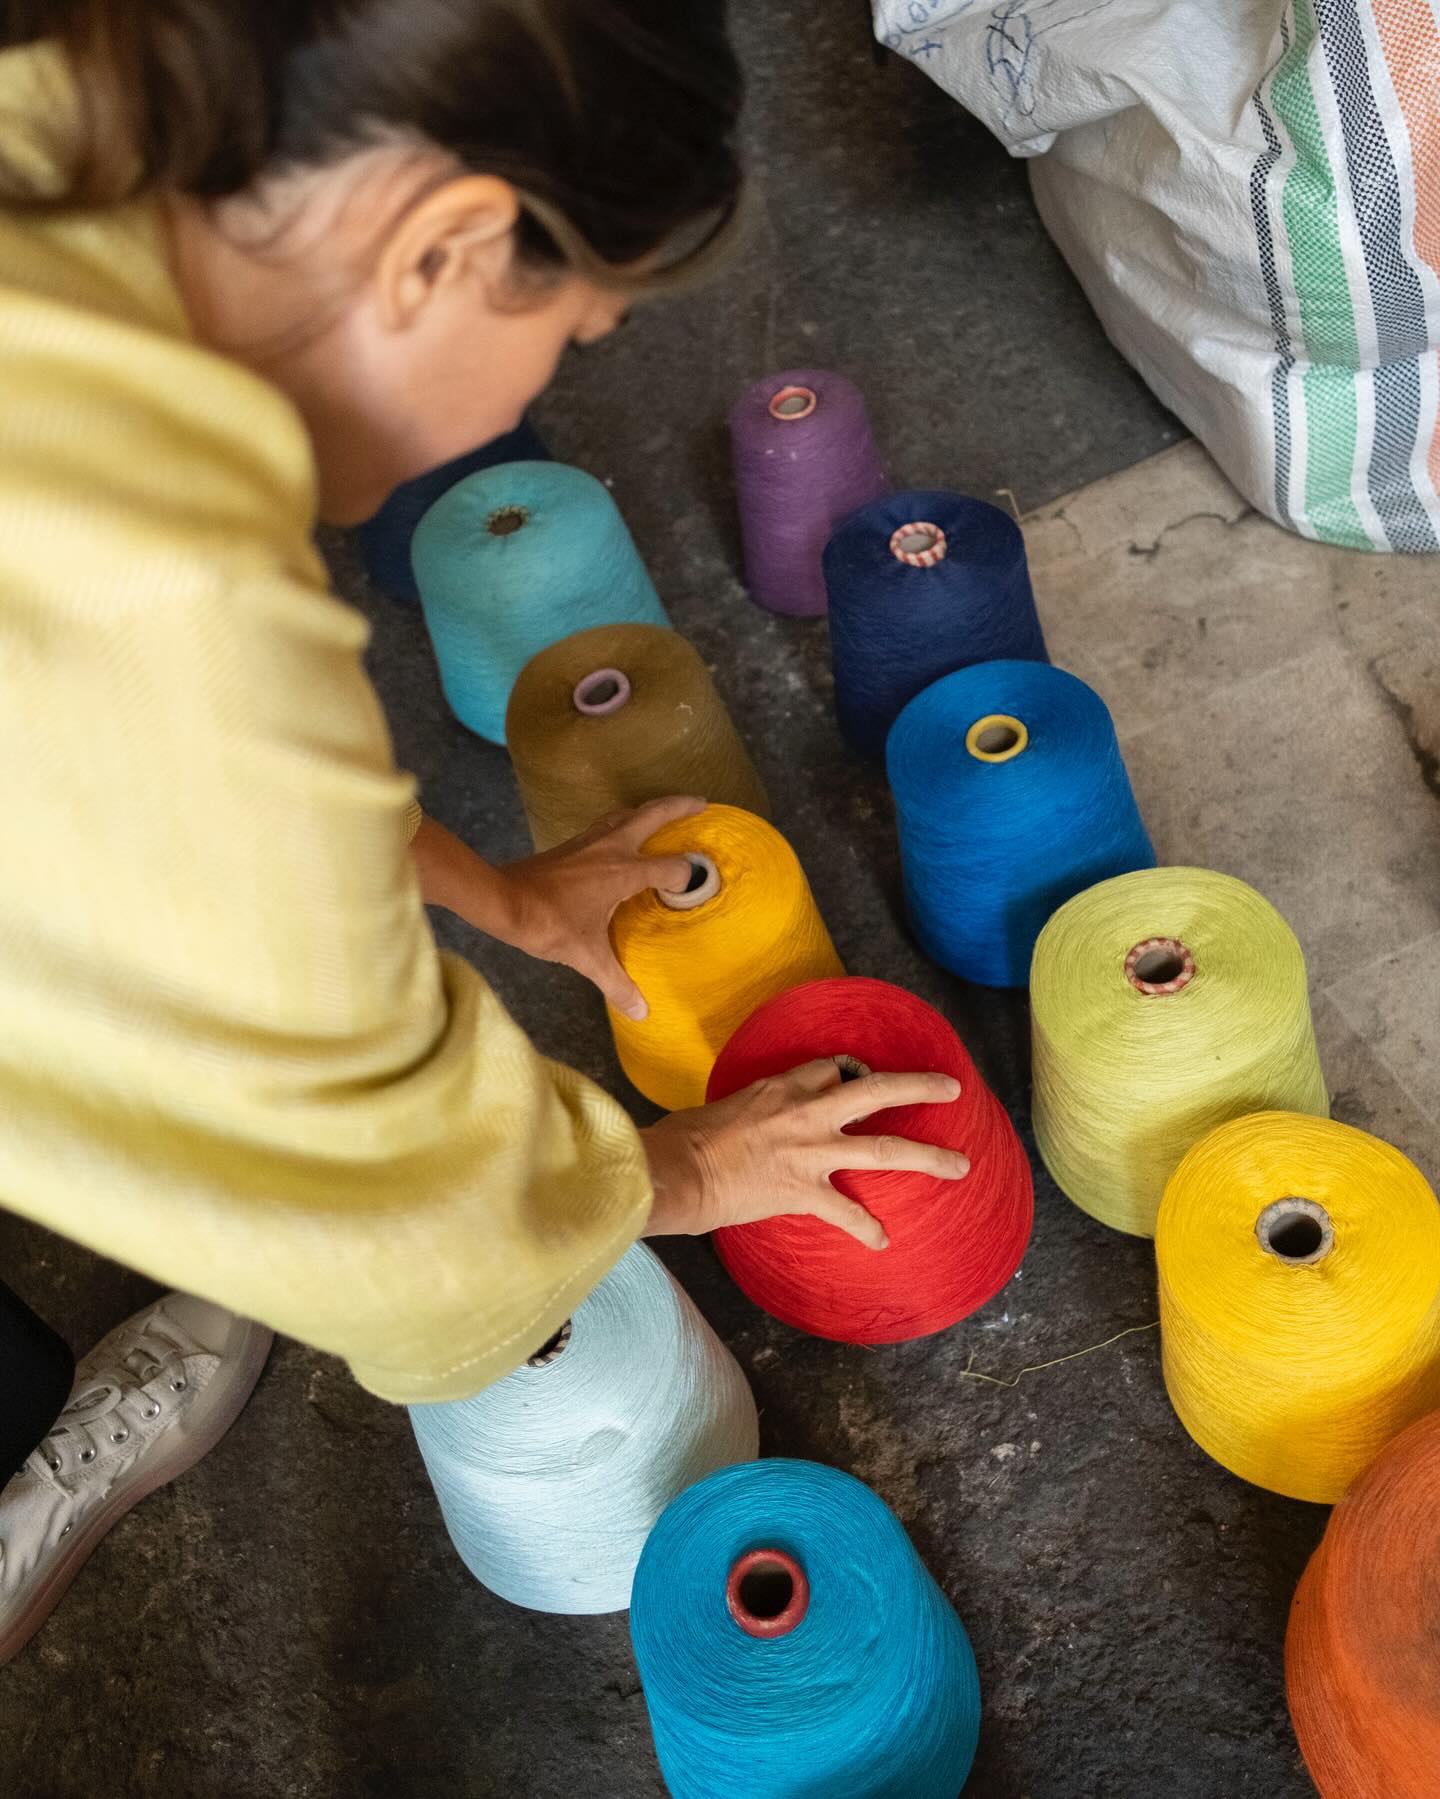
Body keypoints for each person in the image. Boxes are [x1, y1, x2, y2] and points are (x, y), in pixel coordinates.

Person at [0, 0, 971, 1664]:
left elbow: (198, 808)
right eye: (574, 332)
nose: (542, 380)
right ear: (447, 243)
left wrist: (507, 902)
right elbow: (386, 1235)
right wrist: (672, 1172)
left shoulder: (64, 144)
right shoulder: (165, 593)